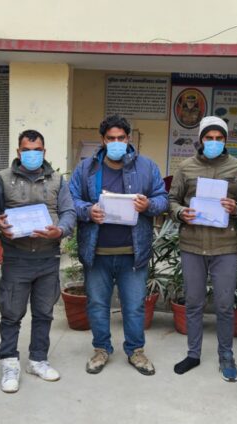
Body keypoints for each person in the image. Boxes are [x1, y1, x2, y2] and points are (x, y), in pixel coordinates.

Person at [69, 114, 168, 376]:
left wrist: (148, 205)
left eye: (120, 138)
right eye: (110, 138)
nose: (116, 143)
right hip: (97, 252)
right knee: (97, 304)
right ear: (102, 140)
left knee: (134, 306)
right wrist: (88, 210)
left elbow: (163, 199)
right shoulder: (86, 169)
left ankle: (136, 351)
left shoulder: (147, 167)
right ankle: (101, 349)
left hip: (133, 252)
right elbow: (70, 200)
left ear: (129, 138)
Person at [168, 116, 237, 382]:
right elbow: (171, 200)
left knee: (225, 305)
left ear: (225, 140)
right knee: (194, 303)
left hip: (224, 246)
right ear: (201, 139)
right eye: (209, 138)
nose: (214, 142)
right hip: (192, 245)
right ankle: (193, 354)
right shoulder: (185, 167)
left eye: (219, 138)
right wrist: (181, 212)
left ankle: (226, 355)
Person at [0, 129, 75, 393]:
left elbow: (69, 212)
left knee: (44, 313)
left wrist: (60, 230)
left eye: (37, 150)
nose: (32, 154)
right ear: (18, 151)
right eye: (26, 150)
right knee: (11, 313)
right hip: (17, 257)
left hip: (48, 257)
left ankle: (38, 359)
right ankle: (9, 362)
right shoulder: (2, 179)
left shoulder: (57, 180)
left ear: (44, 152)